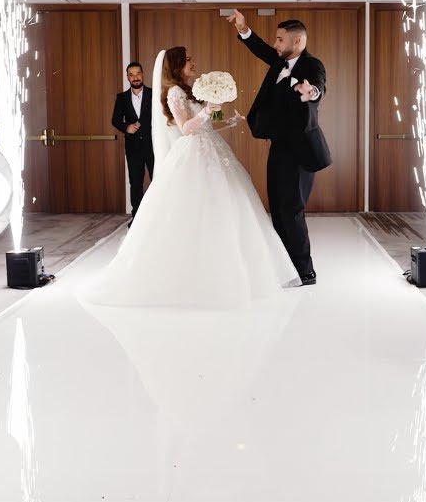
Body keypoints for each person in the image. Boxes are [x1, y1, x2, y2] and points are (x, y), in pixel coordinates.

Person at [88, 47, 298, 307]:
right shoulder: (174, 92)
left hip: (212, 148)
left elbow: (206, 125)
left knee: (227, 207)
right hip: (194, 153)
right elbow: (186, 128)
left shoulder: (189, 90)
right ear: (176, 65)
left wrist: (227, 121)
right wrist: (207, 110)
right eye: (187, 60)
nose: (193, 62)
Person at [226, 11, 331, 286]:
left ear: (297, 41)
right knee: (278, 209)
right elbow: (261, 48)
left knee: (292, 210)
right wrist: (244, 28)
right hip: (279, 147)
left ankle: (305, 272)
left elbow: (318, 86)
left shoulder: (312, 65)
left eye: (280, 39)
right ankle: (285, 267)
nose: (275, 44)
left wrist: (312, 93)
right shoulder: (280, 61)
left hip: (300, 151)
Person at [111, 61, 155, 222]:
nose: (135, 77)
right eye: (131, 74)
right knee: (135, 184)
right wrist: (126, 127)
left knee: (157, 181)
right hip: (133, 148)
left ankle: (157, 218)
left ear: (143, 75)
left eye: (138, 73)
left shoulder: (154, 94)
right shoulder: (121, 98)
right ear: (127, 77)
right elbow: (115, 120)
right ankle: (137, 219)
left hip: (153, 146)